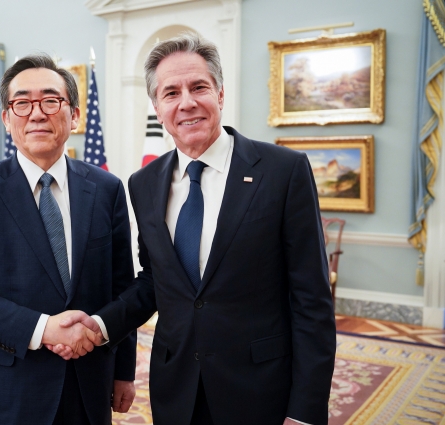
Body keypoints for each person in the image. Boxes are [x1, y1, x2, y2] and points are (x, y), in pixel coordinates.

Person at [56, 33, 336, 425]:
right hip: (177, 389)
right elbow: (155, 281)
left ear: (220, 94)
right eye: (171, 93)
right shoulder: (143, 183)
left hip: (260, 390)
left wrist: (306, 411)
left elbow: (312, 301)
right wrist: (100, 325)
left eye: (198, 87)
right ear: (157, 106)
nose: (186, 102)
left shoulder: (283, 171)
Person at [0, 53, 137, 425]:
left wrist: (124, 371)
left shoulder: (107, 189)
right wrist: (43, 329)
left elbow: (122, 287)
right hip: (13, 385)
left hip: (90, 381)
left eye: (50, 100)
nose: (37, 113)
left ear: (74, 115)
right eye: (22, 102)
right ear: (7, 119)